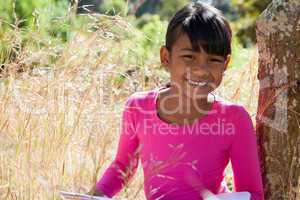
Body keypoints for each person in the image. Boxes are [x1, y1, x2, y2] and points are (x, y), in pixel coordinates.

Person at [88, 2, 264, 200]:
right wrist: (96, 196)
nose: (201, 69)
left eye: (213, 60)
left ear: (226, 64)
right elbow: (123, 166)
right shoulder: (138, 107)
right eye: (189, 57)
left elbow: (253, 195)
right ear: (166, 57)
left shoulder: (234, 118)